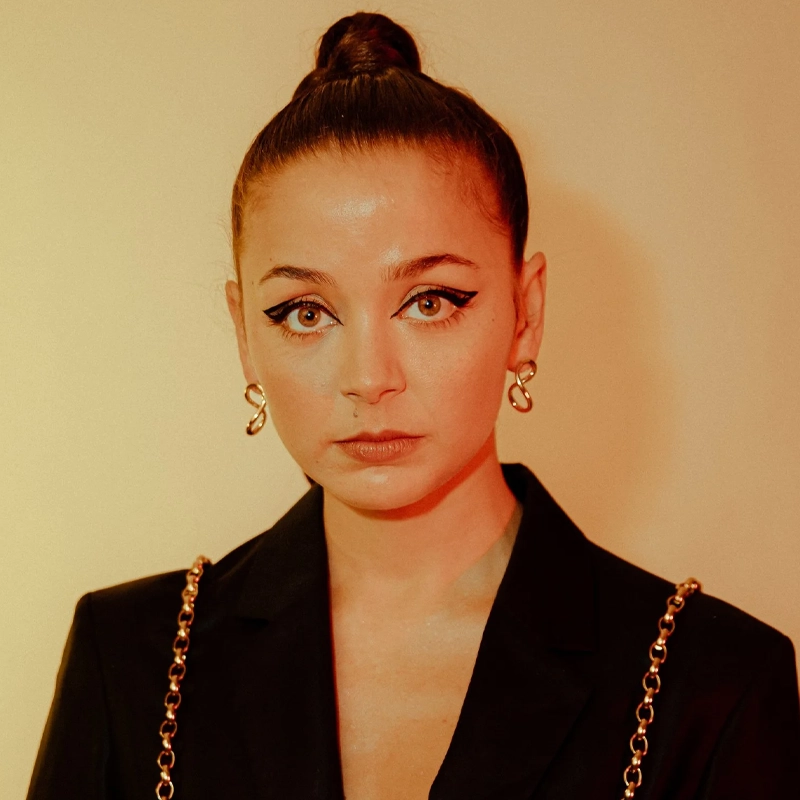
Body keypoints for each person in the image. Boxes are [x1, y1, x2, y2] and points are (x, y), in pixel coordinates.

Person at [27, 11, 800, 800]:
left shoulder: (713, 686)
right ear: (243, 335)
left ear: (526, 313)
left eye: (430, 301)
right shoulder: (132, 662)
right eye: (305, 312)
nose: (369, 378)